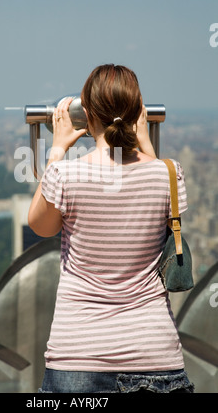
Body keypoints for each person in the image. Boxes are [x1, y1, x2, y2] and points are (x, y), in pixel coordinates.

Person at [28, 64, 194, 394]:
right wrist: (145, 142)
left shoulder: (67, 175)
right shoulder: (168, 174)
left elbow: (41, 226)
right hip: (156, 356)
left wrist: (58, 149)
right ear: (137, 114)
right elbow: (163, 210)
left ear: (86, 115)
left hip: (78, 357)